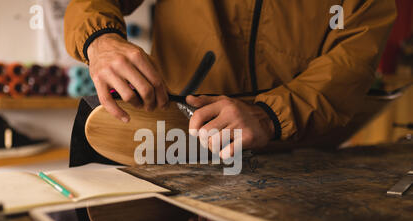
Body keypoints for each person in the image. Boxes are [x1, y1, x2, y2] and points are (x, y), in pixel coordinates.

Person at [64, 0, 396, 156]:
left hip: (285, 152)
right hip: (169, 137)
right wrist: (101, 39)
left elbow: (348, 67)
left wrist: (269, 116)